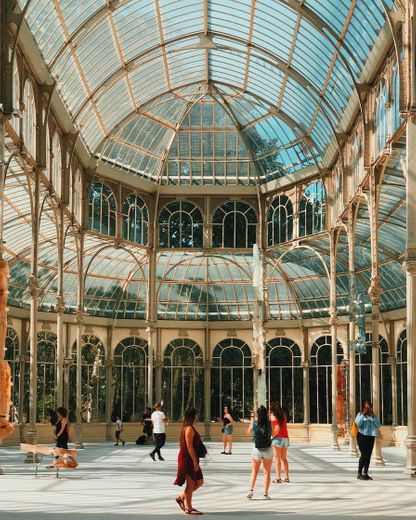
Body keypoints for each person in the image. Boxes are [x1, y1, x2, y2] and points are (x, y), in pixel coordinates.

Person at [174, 408, 204, 515]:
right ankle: (188, 507)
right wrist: (195, 462)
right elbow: (189, 447)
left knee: (199, 481)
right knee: (190, 484)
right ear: (193, 416)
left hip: (190, 458)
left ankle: (181, 497)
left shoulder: (190, 428)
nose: (197, 416)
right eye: (196, 414)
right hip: (188, 459)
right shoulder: (189, 429)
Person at [246, 405, 273, 500]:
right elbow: (272, 433)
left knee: (254, 471)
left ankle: (251, 491)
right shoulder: (270, 423)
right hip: (268, 449)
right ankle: (265, 494)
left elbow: (248, 432)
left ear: (258, 414)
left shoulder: (254, 423)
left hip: (256, 448)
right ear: (266, 414)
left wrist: (251, 421)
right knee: (267, 472)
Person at [354, 401, 381, 480]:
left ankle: (365, 473)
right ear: (364, 407)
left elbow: (378, 425)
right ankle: (359, 473)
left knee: (368, 455)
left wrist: (372, 417)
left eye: (369, 407)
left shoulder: (373, 416)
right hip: (361, 436)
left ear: (371, 408)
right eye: (366, 407)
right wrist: (363, 415)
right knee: (364, 454)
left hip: (371, 437)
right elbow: (357, 424)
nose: (368, 408)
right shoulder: (360, 414)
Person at [270, 402, 290, 483]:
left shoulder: (273, 416)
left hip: (277, 438)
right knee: (284, 458)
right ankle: (286, 477)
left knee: (277, 458)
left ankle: (278, 478)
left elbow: (277, 427)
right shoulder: (283, 415)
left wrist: (272, 436)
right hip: (285, 438)